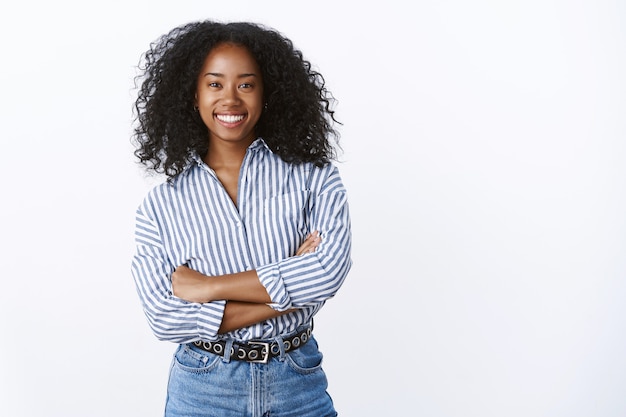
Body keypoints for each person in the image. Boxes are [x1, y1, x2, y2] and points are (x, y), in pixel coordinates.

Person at [130, 20, 352, 417]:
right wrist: (290, 295)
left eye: (245, 84)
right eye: (214, 84)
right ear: (192, 95)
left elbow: (329, 271)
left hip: (296, 381)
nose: (230, 99)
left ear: (267, 93)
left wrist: (207, 287)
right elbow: (164, 319)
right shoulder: (159, 207)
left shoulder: (313, 175)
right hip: (203, 387)